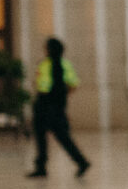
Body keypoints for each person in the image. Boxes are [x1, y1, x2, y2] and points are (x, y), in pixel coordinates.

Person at [27, 36, 91, 178]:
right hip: (52, 104)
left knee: (50, 137)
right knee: (57, 137)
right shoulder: (63, 64)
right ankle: (78, 162)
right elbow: (73, 84)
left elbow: (42, 83)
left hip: (47, 104)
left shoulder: (46, 64)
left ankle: (79, 162)